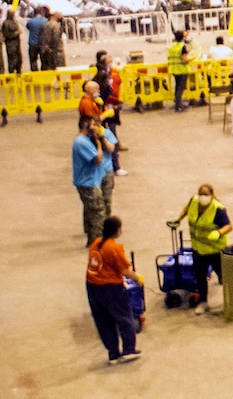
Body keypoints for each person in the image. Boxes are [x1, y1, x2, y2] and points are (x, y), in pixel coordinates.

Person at [86, 215, 143, 365]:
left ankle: (113, 353)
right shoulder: (114, 248)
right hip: (110, 288)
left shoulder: (95, 244)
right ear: (117, 230)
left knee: (103, 321)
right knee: (124, 318)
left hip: (92, 287)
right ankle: (129, 350)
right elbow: (125, 271)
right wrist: (137, 277)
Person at [170, 184, 231, 315]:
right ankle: (203, 301)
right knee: (200, 276)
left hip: (215, 250)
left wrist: (218, 233)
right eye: (201, 194)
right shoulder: (194, 201)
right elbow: (187, 209)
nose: (202, 197)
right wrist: (179, 219)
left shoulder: (217, 209)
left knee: (224, 276)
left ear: (211, 195)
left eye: (206, 195)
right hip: (198, 249)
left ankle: (231, 302)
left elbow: (229, 226)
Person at [73, 114, 106, 247]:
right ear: (86, 125)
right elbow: (97, 159)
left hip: (88, 181)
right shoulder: (82, 142)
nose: (94, 127)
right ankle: (96, 242)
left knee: (90, 211)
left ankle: (92, 238)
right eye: (92, 124)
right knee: (98, 212)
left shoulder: (83, 140)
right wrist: (98, 144)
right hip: (88, 183)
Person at [167, 29, 192, 111]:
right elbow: (184, 59)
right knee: (181, 88)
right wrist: (191, 58)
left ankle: (178, 105)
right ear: (183, 37)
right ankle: (179, 106)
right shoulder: (182, 46)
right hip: (182, 69)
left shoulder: (172, 46)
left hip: (173, 69)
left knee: (177, 87)